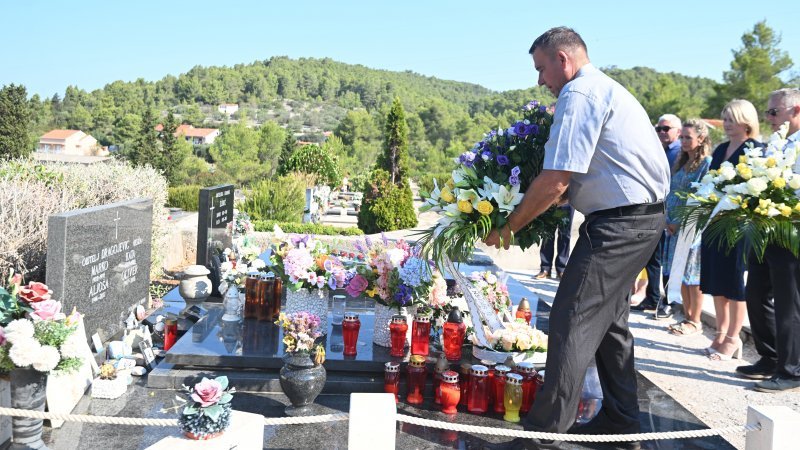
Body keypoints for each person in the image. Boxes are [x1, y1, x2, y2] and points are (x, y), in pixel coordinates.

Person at [484, 27, 669, 449]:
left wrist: (510, 225)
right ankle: (622, 422)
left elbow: (555, 181)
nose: (540, 81)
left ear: (563, 60)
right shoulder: (605, 88)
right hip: (636, 218)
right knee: (609, 324)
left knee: (571, 316)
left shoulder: (580, 94)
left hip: (621, 223)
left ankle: (545, 434)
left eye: (541, 68)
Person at [737, 88, 800, 392]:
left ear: (796, 110)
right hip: (767, 227)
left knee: (789, 303)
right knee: (757, 292)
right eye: (768, 112)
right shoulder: (778, 144)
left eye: (774, 112)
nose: (769, 118)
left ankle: (791, 371)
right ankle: (771, 356)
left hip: (792, 231)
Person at [701, 99, 762, 361]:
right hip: (714, 223)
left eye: (731, 119)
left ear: (745, 121)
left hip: (738, 226)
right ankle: (720, 331)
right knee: (716, 280)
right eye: (724, 119)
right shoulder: (721, 149)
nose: (726, 124)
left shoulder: (755, 150)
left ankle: (733, 337)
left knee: (734, 283)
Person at [662, 119, 712, 336]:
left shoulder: (706, 164)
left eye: (688, 137)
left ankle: (695, 319)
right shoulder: (681, 162)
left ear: (701, 139)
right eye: (681, 137)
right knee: (678, 271)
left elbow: (704, 198)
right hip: (673, 227)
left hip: (692, 228)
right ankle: (686, 315)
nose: (682, 141)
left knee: (692, 275)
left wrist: (681, 221)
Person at [633, 113, 682, 318]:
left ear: (678, 132)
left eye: (666, 129)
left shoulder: (679, 153)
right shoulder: (658, 150)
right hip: (654, 210)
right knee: (652, 259)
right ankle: (652, 299)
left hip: (671, 215)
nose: (661, 132)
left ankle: (667, 302)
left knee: (666, 261)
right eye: (658, 129)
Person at [535, 204, 574, 279]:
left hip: (567, 201)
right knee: (547, 233)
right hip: (551, 200)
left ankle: (561, 268)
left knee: (565, 234)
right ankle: (545, 268)